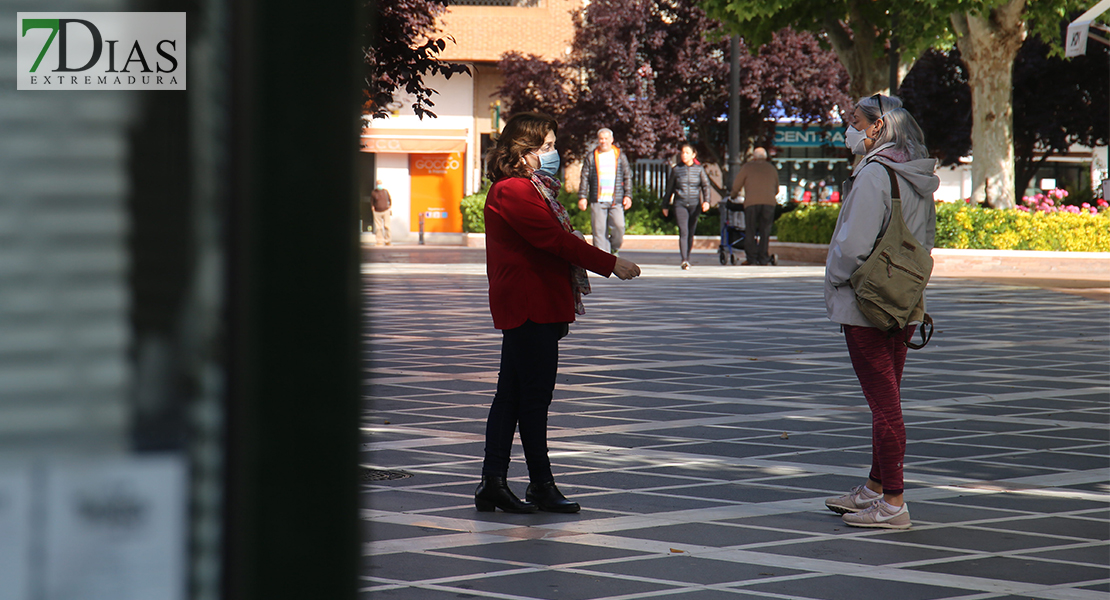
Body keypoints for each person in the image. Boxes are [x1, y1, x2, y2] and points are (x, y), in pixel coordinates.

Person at [479, 112, 641, 514]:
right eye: (547, 147)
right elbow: (554, 240)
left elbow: (554, 238)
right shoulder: (513, 190)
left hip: (537, 303)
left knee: (513, 395)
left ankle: (494, 483)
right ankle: (539, 484)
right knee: (532, 397)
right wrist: (610, 263)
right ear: (523, 150)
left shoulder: (531, 187)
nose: (553, 153)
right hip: (528, 304)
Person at [823, 94, 938, 530]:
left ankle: (893, 503)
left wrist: (836, 277)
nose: (849, 129)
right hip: (903, 300)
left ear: (878, 127)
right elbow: (925, 240)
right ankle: (875, 487)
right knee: (886, 399)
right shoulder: (916, 173)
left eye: (856, 121)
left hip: (867, 303)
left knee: (885, 405)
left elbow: (852, 247)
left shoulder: (875, 174)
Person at [577, 128, 633, 254]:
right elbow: (584, 177)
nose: (603, 141)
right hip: (598, 199)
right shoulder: (592, 156)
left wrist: (628, 195)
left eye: (606, 138)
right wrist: (582, 197)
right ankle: (603, 258)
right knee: (599, 231)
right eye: (601, 139)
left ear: (611, 140)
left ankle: (613, 248)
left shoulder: (619, 156)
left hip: (615, 200)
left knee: (619, 226)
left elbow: (627, 176)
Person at [661, 144, 710, 270]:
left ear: (693, 155)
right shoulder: (676, 170)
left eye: (687, 153)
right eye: (682, 152)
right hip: (680, 204)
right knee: (683, 231)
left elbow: (705, 186)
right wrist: (665, 205)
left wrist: (706, 201)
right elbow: (669, 189)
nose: (684, 155)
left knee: (690, 232)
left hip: (695, 204)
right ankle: (684, 260)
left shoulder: (699, 170)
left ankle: (687, 256)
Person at [730, 147, 779, 265]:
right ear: (766, 157)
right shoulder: (771, 168)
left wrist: (733, 195)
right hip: (769, 203)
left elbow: (737, 184)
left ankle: (751, 258)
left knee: (750, 230)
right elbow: (776, 189)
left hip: (751, 203)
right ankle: (763, 258)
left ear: (754, 157)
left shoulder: (747, 167)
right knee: (765, 231)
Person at [370, 180, 392, 246]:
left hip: (385, 211)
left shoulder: (385, 192)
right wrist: (373, 208)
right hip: (377, 212)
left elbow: (389, 199)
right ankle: (379, 241)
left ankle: (388, 241)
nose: (379, 185)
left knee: (387, 226)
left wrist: (389, 206)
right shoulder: (373, 193)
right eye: (378, 184)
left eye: (380, 183)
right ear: (376, 185)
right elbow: (372, 201)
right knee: (378, 228)